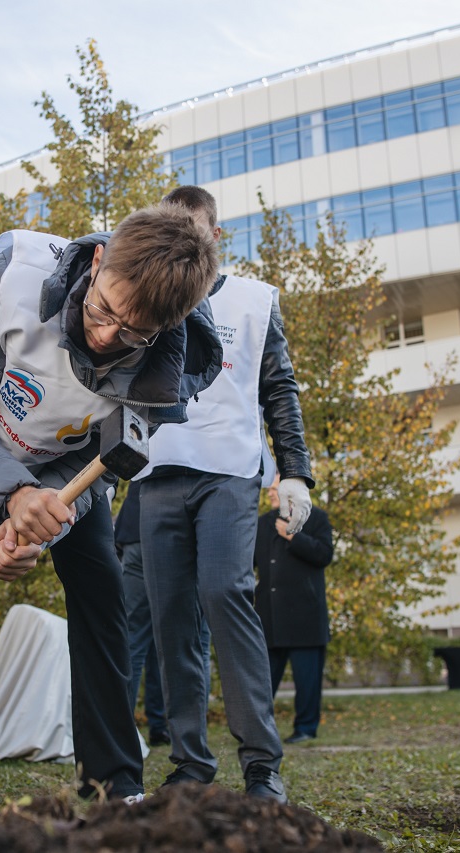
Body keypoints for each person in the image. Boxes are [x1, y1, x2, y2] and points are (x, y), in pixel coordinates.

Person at [0, 203, 223, 820]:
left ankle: (115, 787)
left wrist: (47, 515)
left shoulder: (170, 368)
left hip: (62, 461)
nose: (104, 337)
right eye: (102, 311)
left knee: (99, 582)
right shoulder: (14, 280)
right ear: (97, 262)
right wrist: (11, 498)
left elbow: (108, 461)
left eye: (132, 332)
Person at [132, 186, 312, 803]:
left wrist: (295, 471)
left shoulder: (254, 300)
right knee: (171, 613)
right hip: (157, 472)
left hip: (229, 470)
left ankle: (262, 764)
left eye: (193, 227)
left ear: (213, 235)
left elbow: (279, 388)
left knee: (223, 591)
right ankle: (190, 761)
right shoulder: (148, 296)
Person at [115, 484, 211, 747]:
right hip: (177, 532)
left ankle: (126, 730)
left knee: (135, 638)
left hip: (135, 531)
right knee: (195, 637)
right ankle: (191, 732)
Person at [255, 474, 334, 743]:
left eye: (275, 489)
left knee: (307, 682)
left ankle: (305, 729)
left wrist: (292, 536)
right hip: (271, 619)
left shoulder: (317, 519)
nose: (270, 494)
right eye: (270, 490)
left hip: (306, 618)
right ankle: (260, 730)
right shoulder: (262, 523)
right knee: (264, 683)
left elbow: (324, 555)